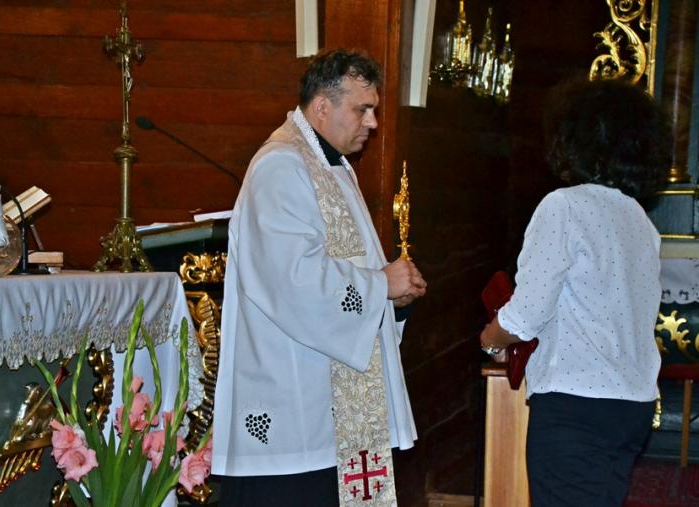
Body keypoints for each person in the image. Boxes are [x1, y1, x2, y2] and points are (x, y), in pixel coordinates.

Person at [211, 48, 427, 506]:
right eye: (362, 109)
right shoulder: (280, 166)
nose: (372, 123)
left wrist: (392, 302)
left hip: (331, 407)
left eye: (373, 110)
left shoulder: (333, 168)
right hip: (296, 404)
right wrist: (381, 285)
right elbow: (294, 280)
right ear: (323, 106)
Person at [480, 78, 671, 507]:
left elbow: (527, 314)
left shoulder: (564, 206)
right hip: (632, 405)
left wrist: (491, 339)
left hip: (576, 406)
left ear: (575, 139)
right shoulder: (640, 220)